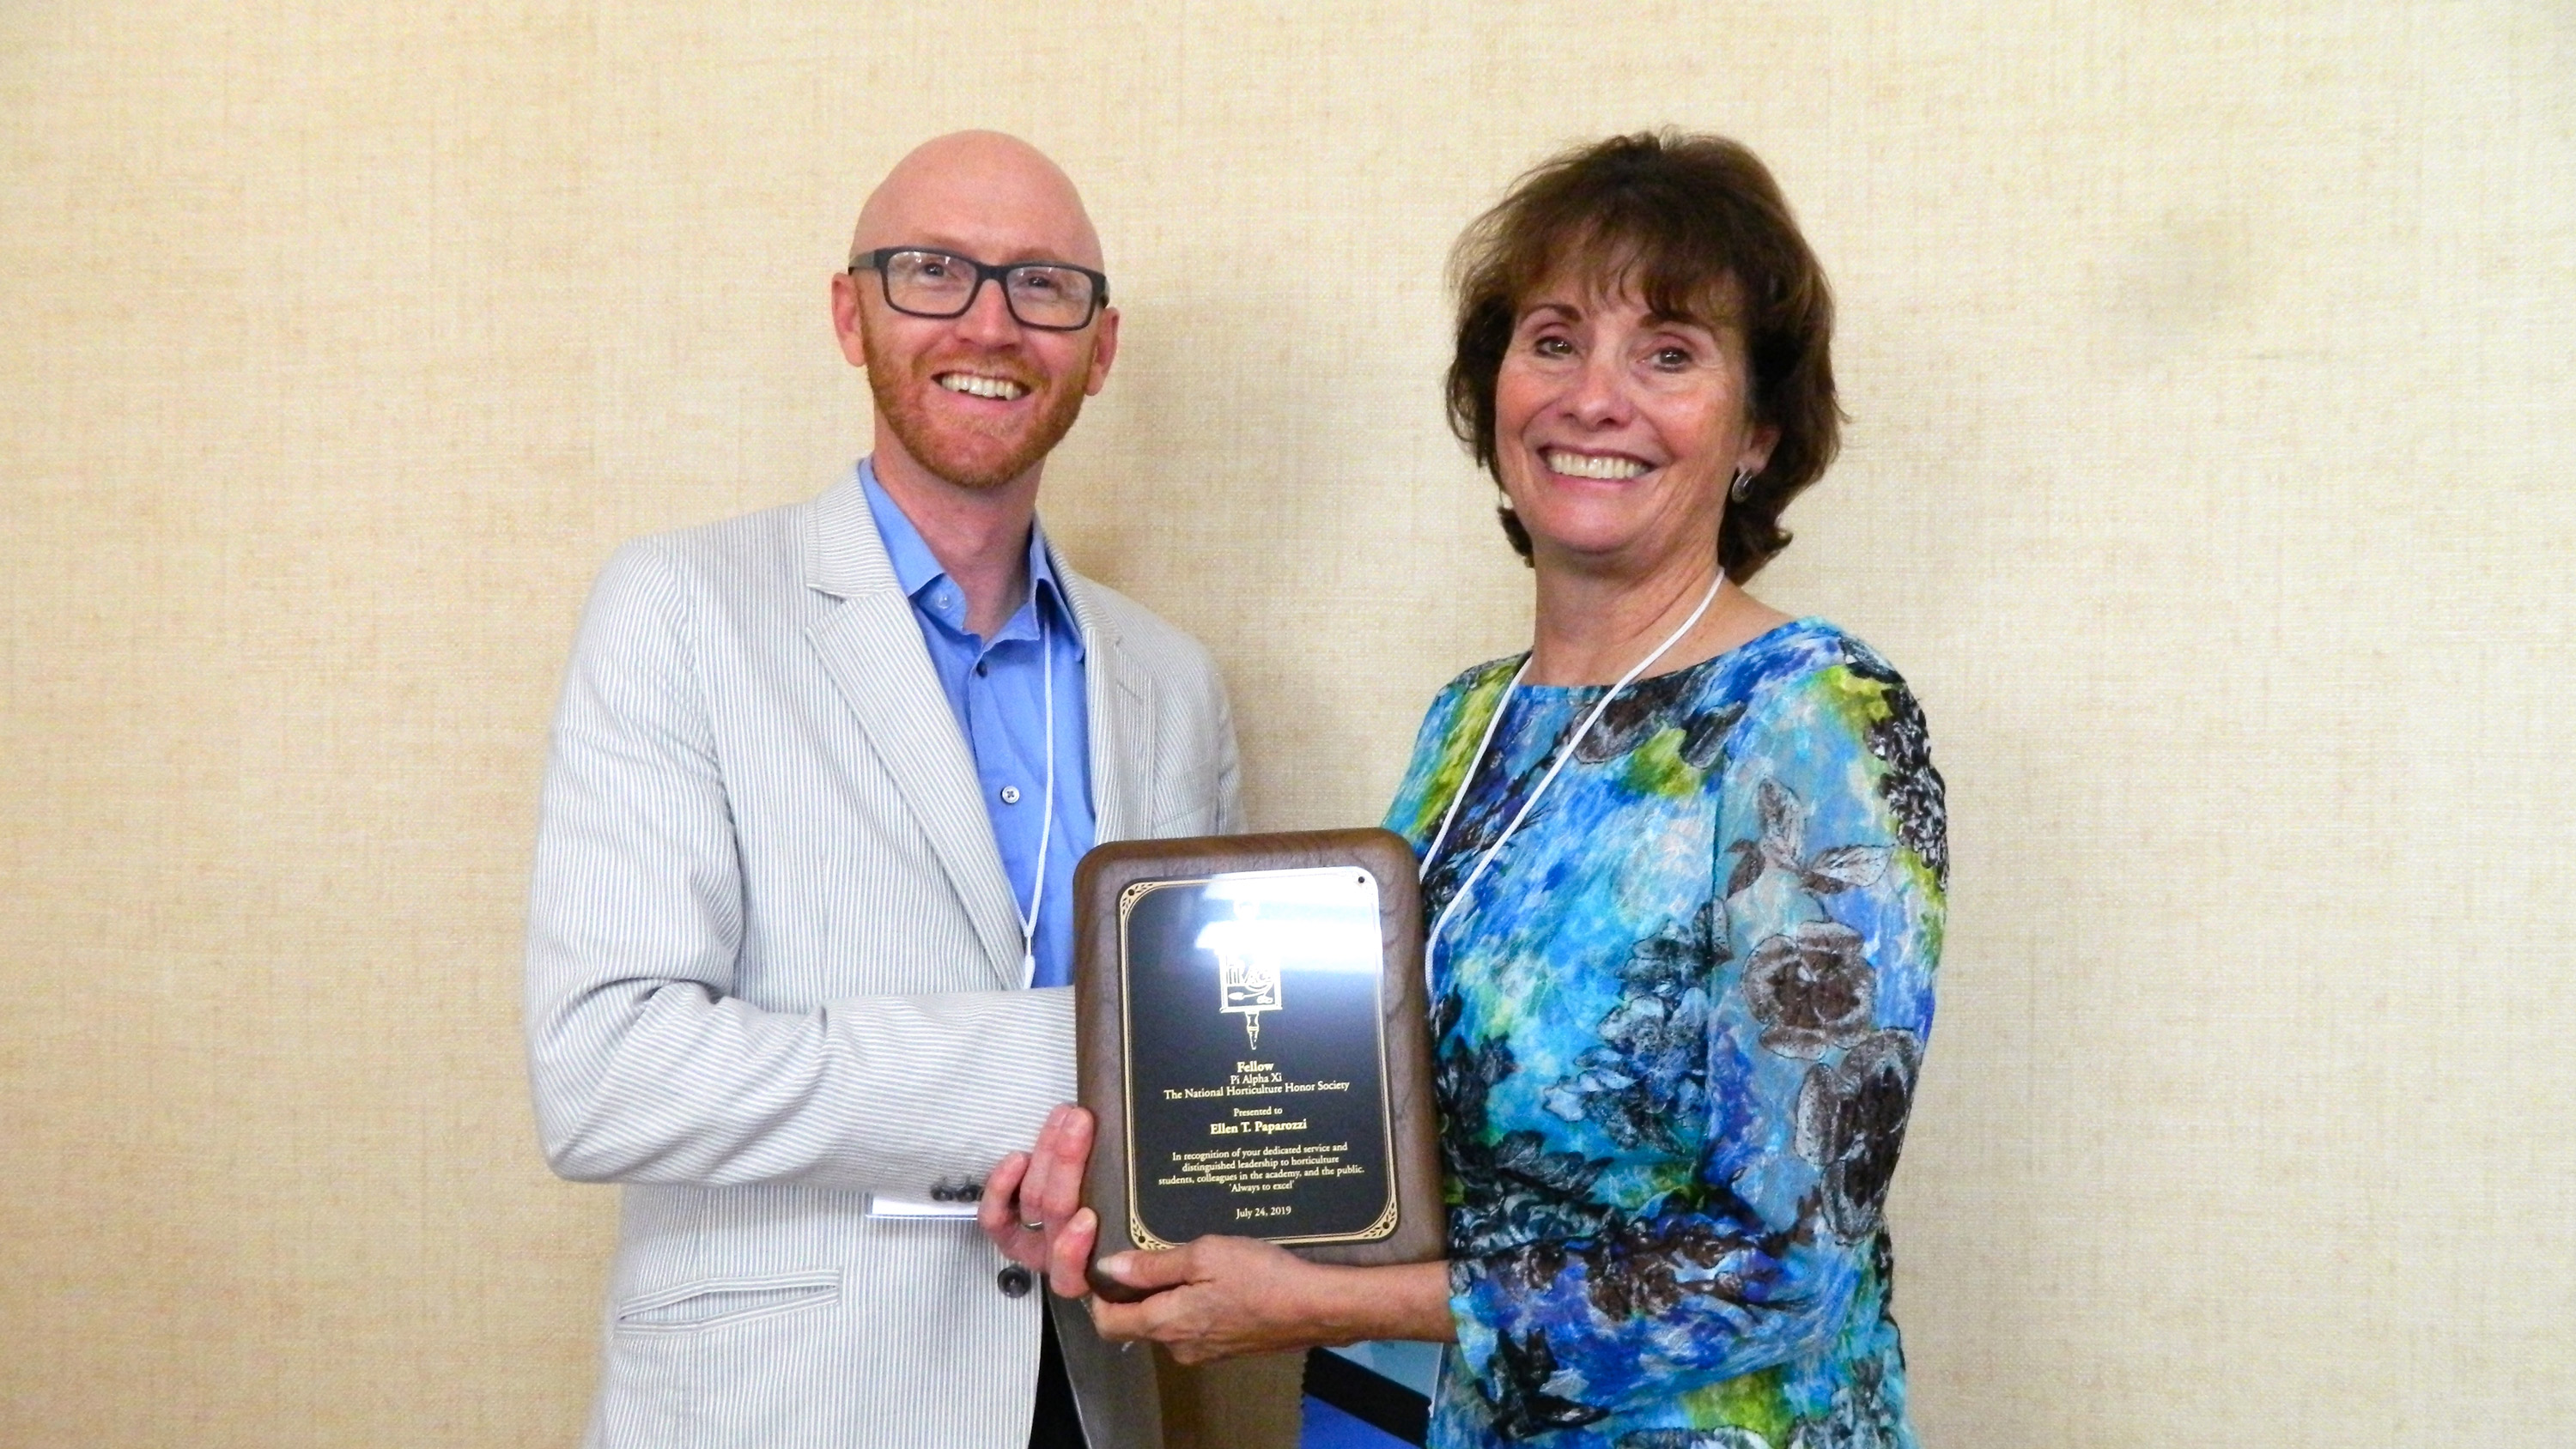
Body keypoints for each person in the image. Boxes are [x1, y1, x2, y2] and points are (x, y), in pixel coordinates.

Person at [992, 131, 1946, 1448]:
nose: (1594, 396)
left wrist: (1329, 1299)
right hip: (1399, 1417)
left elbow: (1786, 1262)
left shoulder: (1813, 718)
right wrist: (1129, 1206)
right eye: (1553, 340)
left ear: (1757, 432)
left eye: (1668, 354)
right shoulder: (1469, 720)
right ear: (1493, 397)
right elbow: (1358, 1126)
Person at [525, 130, 1241, 1449]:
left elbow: (1199, 1106)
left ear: (1101, 345)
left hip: (1090, 1398)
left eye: (1044, 286)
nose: (990, 320)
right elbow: (603, 1072)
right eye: (932, 272)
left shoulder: (1175, 684)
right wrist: (1059, 1057)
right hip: (786, 1405)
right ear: (850, 314)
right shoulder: (681, 610)